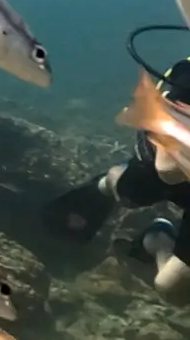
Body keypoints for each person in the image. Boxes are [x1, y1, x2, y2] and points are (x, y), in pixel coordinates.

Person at [42, 30, 190, 303]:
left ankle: (158, 242)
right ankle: (108, 184)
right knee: (133, 193)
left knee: (174, 290)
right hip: (166, 161)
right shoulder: (186, 77)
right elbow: (168, 170)